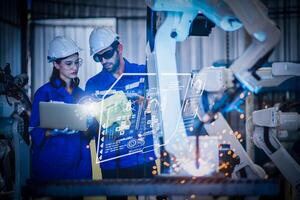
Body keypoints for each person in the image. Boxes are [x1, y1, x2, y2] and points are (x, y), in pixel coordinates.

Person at [86, 27, 158, 200]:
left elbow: (160, 108)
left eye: (107, 54)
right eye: (98, 57)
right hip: (111, 162)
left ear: (119, 48)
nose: (103, 61)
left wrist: (150, 104)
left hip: (143, 158)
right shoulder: (93, 85)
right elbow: (89, 125)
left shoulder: (142, 73)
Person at [29, 36, 92, 182]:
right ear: (56, 64)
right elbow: (33, 130)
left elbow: (91, 131)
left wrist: (90, 122)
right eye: (68, 63)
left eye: (77, 62)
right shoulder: (44, 93)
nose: (74, 67)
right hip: (51, 166)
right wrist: (52, 131)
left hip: (78, 166)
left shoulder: (81, 94)